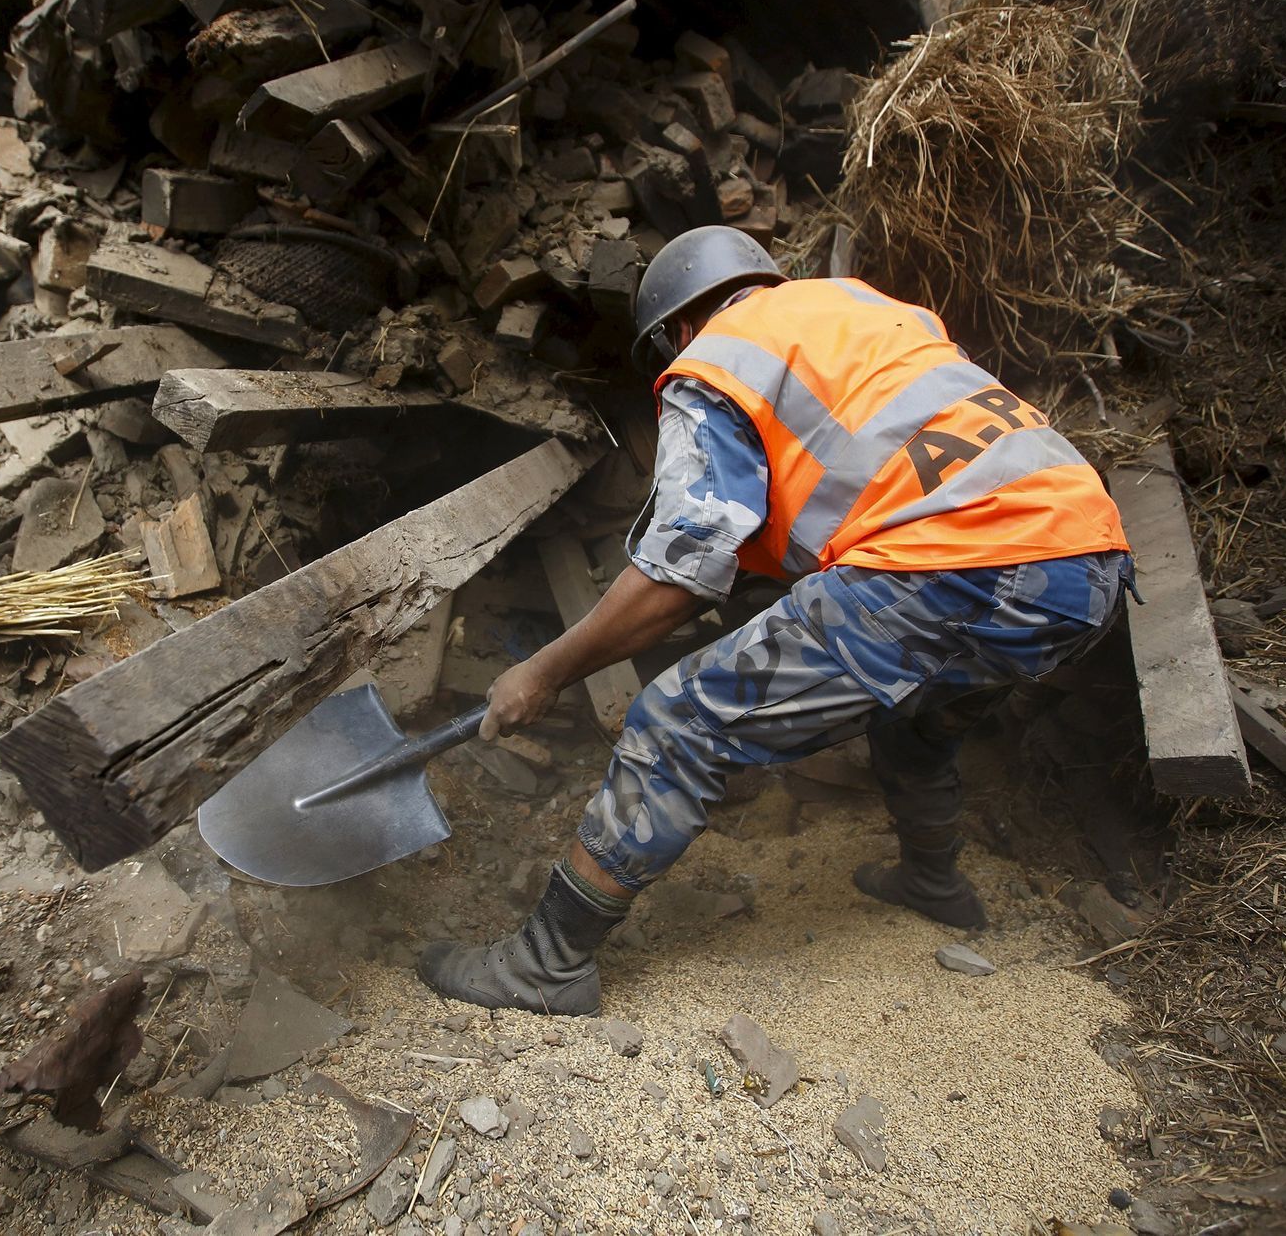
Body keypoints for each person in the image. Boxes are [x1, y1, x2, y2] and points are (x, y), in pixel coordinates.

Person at [418, 227, 1135, 1017]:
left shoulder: (719, 358)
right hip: (1084, 565)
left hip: (952, 562)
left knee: (678, 719)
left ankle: (544, 966)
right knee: (919, 717)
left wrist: (543, 671)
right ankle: (934, 880)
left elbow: (681, 572)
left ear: (675, 331)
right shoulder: (861, 312)